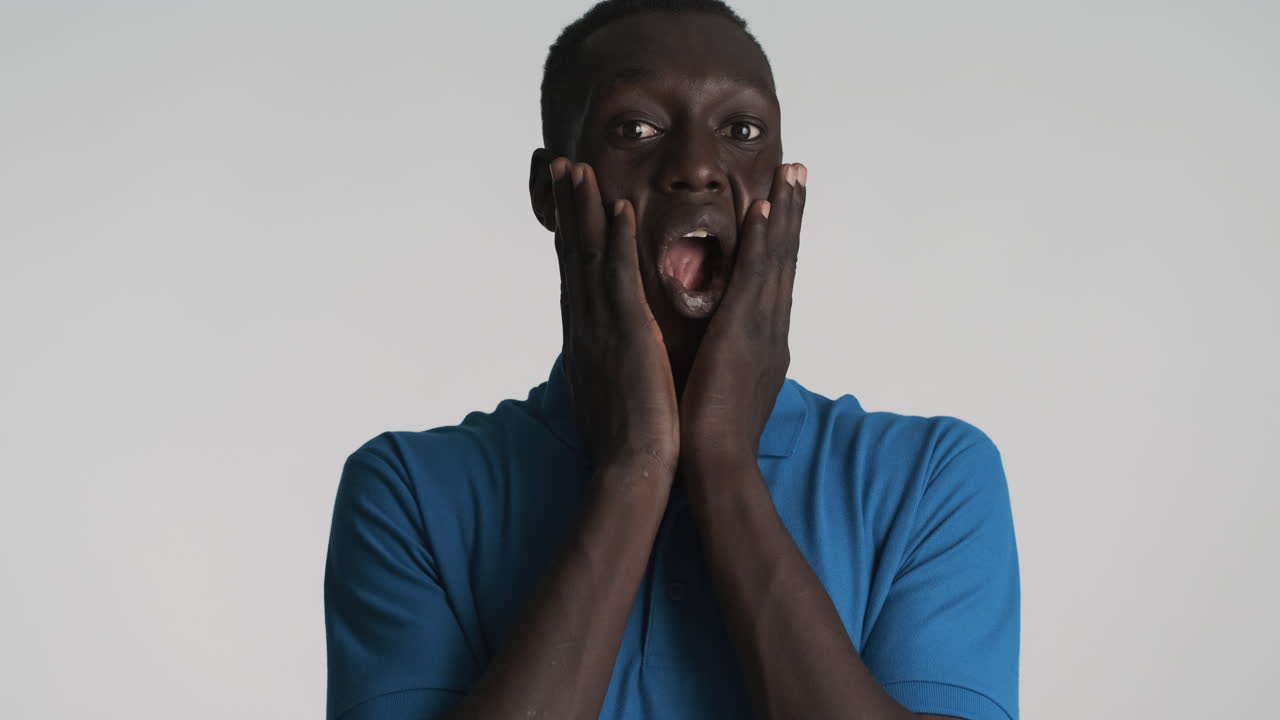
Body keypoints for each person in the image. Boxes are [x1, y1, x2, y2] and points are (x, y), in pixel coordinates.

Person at [323, 1, 1020, 718]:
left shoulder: (929, 479)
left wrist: (724, 470)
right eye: (635, 128)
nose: (697, 168)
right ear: (549, 189)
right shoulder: (409, 492)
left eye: (743, 131)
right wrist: (635, 471)